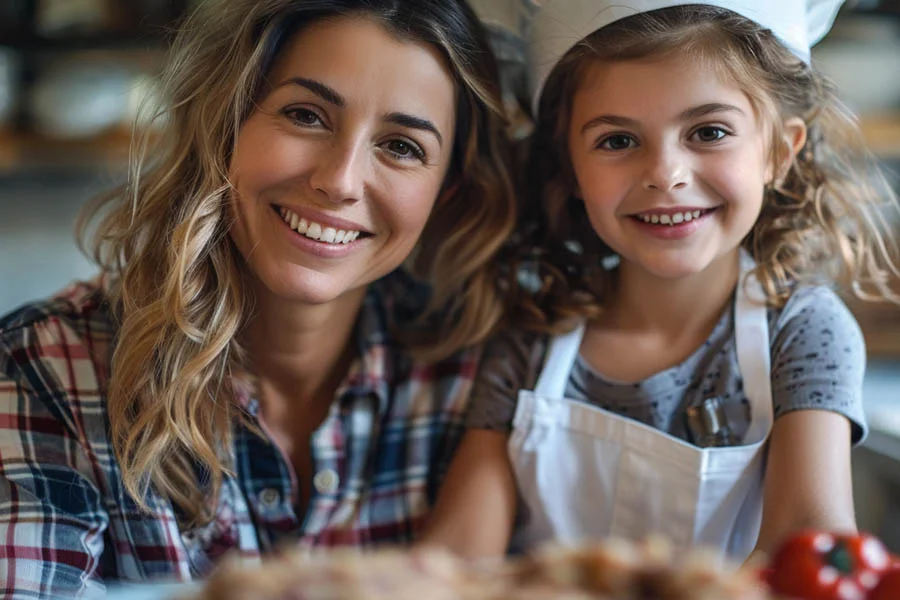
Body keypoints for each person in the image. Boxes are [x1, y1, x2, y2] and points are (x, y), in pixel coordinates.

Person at [0, 0, 518, 595]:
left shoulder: (481, 375)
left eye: (402, 146)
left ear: (447, 191)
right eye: (305, 114)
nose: (340, 181)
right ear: (225, 124)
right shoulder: (41, 371)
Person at [420, 0, 900, 565]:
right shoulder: (530, 336)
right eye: (617, 141)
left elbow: (806, 552)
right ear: (570, 168)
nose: (665, 174)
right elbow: (453, 561)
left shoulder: (801, 332)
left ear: (778, 151)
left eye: (709, 131)